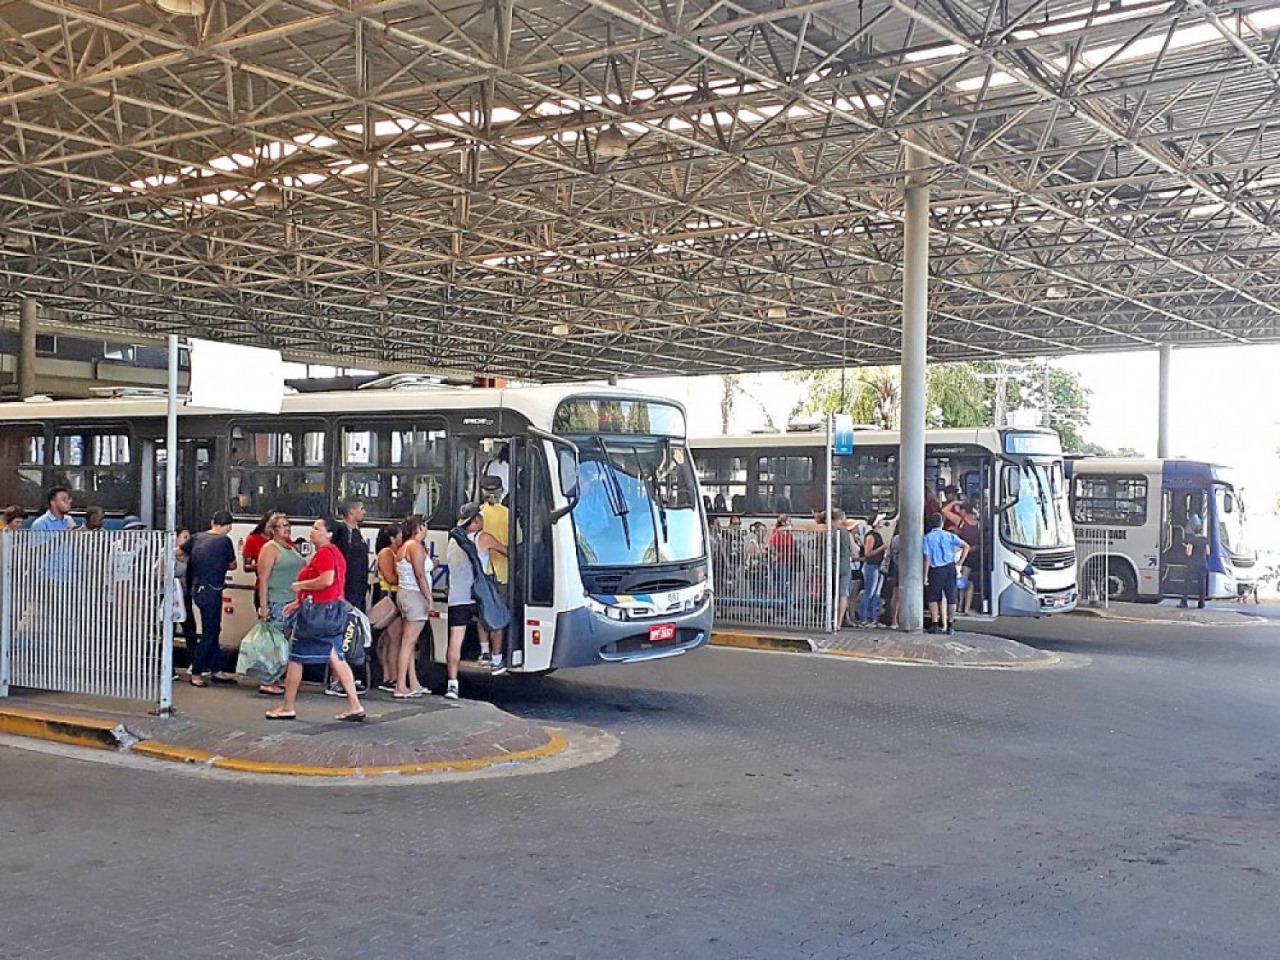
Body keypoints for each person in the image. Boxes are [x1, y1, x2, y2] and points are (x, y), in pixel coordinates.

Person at [265, 518, 365, 722]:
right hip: (333, 612)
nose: (312, 532)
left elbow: (326, 580)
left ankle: (287, 706)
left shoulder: (325, 554)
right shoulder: (335, 554)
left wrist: (300, 586)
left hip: (317, 614)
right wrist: (297, 602)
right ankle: (355, 705)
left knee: (296, 658)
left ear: (328, 534)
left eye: (317, 528)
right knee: (337, 657)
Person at [445, 503, 506, 700]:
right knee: (496, 617)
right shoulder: (484, 538)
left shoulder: (453, 541)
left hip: (457, 597)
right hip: (478, 594)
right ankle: (495, 659)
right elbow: (506, 551)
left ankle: (452, 685)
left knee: (455, 641)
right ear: (477, 520)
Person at [254, 512, 305, 696]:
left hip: (292, 602)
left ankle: (277, 677)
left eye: (288, 525)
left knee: (285, 643)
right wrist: (264, 606)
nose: (287, 528)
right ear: (273, 530)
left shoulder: (290, 548)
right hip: (277, 601)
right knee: (274, 643)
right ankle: (268, 681)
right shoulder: (270, 548)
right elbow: (264, 579)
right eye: (282, 526)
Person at [187, 511, 238, 687]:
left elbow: (179, 552)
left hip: (197, 588)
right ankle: (196, 671)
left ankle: (217, 669)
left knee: (212, 628)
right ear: (229, 526)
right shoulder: (224, 541)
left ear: (212, 522)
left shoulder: (196, 537)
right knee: (211, 631)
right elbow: (233, 564)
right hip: (213, 590)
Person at [330, 500, 370, 695]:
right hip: (346, 590)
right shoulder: (341, 533)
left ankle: (349, 677)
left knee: (353, 634)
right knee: (342, 633)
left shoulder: (357, 532)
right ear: (351, 512)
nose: (364, 512)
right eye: (361, 509)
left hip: (358, 589)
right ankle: (335, 679)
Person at [393, 515, 434, 698]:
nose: (427, 529)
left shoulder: (404, 547)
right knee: (408, 642)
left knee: (408, 642)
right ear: (419, 527)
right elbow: (420, 575)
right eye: (425, 526)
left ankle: (413, 683)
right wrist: (429, 599)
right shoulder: (415, 547)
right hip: (415, 596)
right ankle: (401, 686)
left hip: (404, 594)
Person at [477, 476, 509, 664]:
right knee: (498, 614)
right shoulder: (508, 514)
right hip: (503, 574)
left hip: (482, 574)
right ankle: (497, 657)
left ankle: (484, 651)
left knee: (482, 614)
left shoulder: (478, 515)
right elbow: (517, 541)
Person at [922, 514, 969, 635]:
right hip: (950, 568)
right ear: (941, 523)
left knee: (933, 597)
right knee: (951, 598)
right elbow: (966, 546)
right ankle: (950, 625)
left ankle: (935, 624)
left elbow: (927, 558)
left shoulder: (927, 538)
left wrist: (925, 575)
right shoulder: (949, 535)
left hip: (936, 570)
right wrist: (960, 562)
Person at [372, 524, 404, 693]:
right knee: (393, 640)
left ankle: (388, 677)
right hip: (388, 599)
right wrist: (407, 574)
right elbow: (391, 578)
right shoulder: (386, 553)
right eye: (400, 535)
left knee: (390, 641)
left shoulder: (394, 553)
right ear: (392, 539)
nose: (403, 537)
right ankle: (391, 678)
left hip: (392, 598)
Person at [241, 511, 274, 614]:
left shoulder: (283, 540)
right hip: (262, 586)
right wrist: (260, 566)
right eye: (271, 526)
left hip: (282, 588)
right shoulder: (252, 539)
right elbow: (246, 567)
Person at [858, 517, 888, 628]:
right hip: (871, 566)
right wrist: (882, 548)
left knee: (876, 594)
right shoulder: (871, 536)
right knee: (869, 593)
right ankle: (864, 619)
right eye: (880, 521)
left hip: (877, 566)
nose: (882, 522)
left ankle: (874, 619)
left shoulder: (877, 535)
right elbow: (868, 553)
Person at [1180, 513, 1209, 609]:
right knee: (1201, 584)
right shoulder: (1205, 540)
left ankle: (1184, 602)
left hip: (1193, 564)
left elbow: (1189, 553)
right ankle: (1201, 603)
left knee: (1187, 583)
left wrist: (1186, 547)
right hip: (1202, 563)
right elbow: (1208, 552)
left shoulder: (1192, 540)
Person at [831, 509, 854, 629]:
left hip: (832, 565)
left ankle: (830, 619)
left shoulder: (829, 531)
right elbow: (854, 550)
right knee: (843, 594)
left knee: (831, 592)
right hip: (845, 564)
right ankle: (839, 622)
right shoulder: (847, 533)